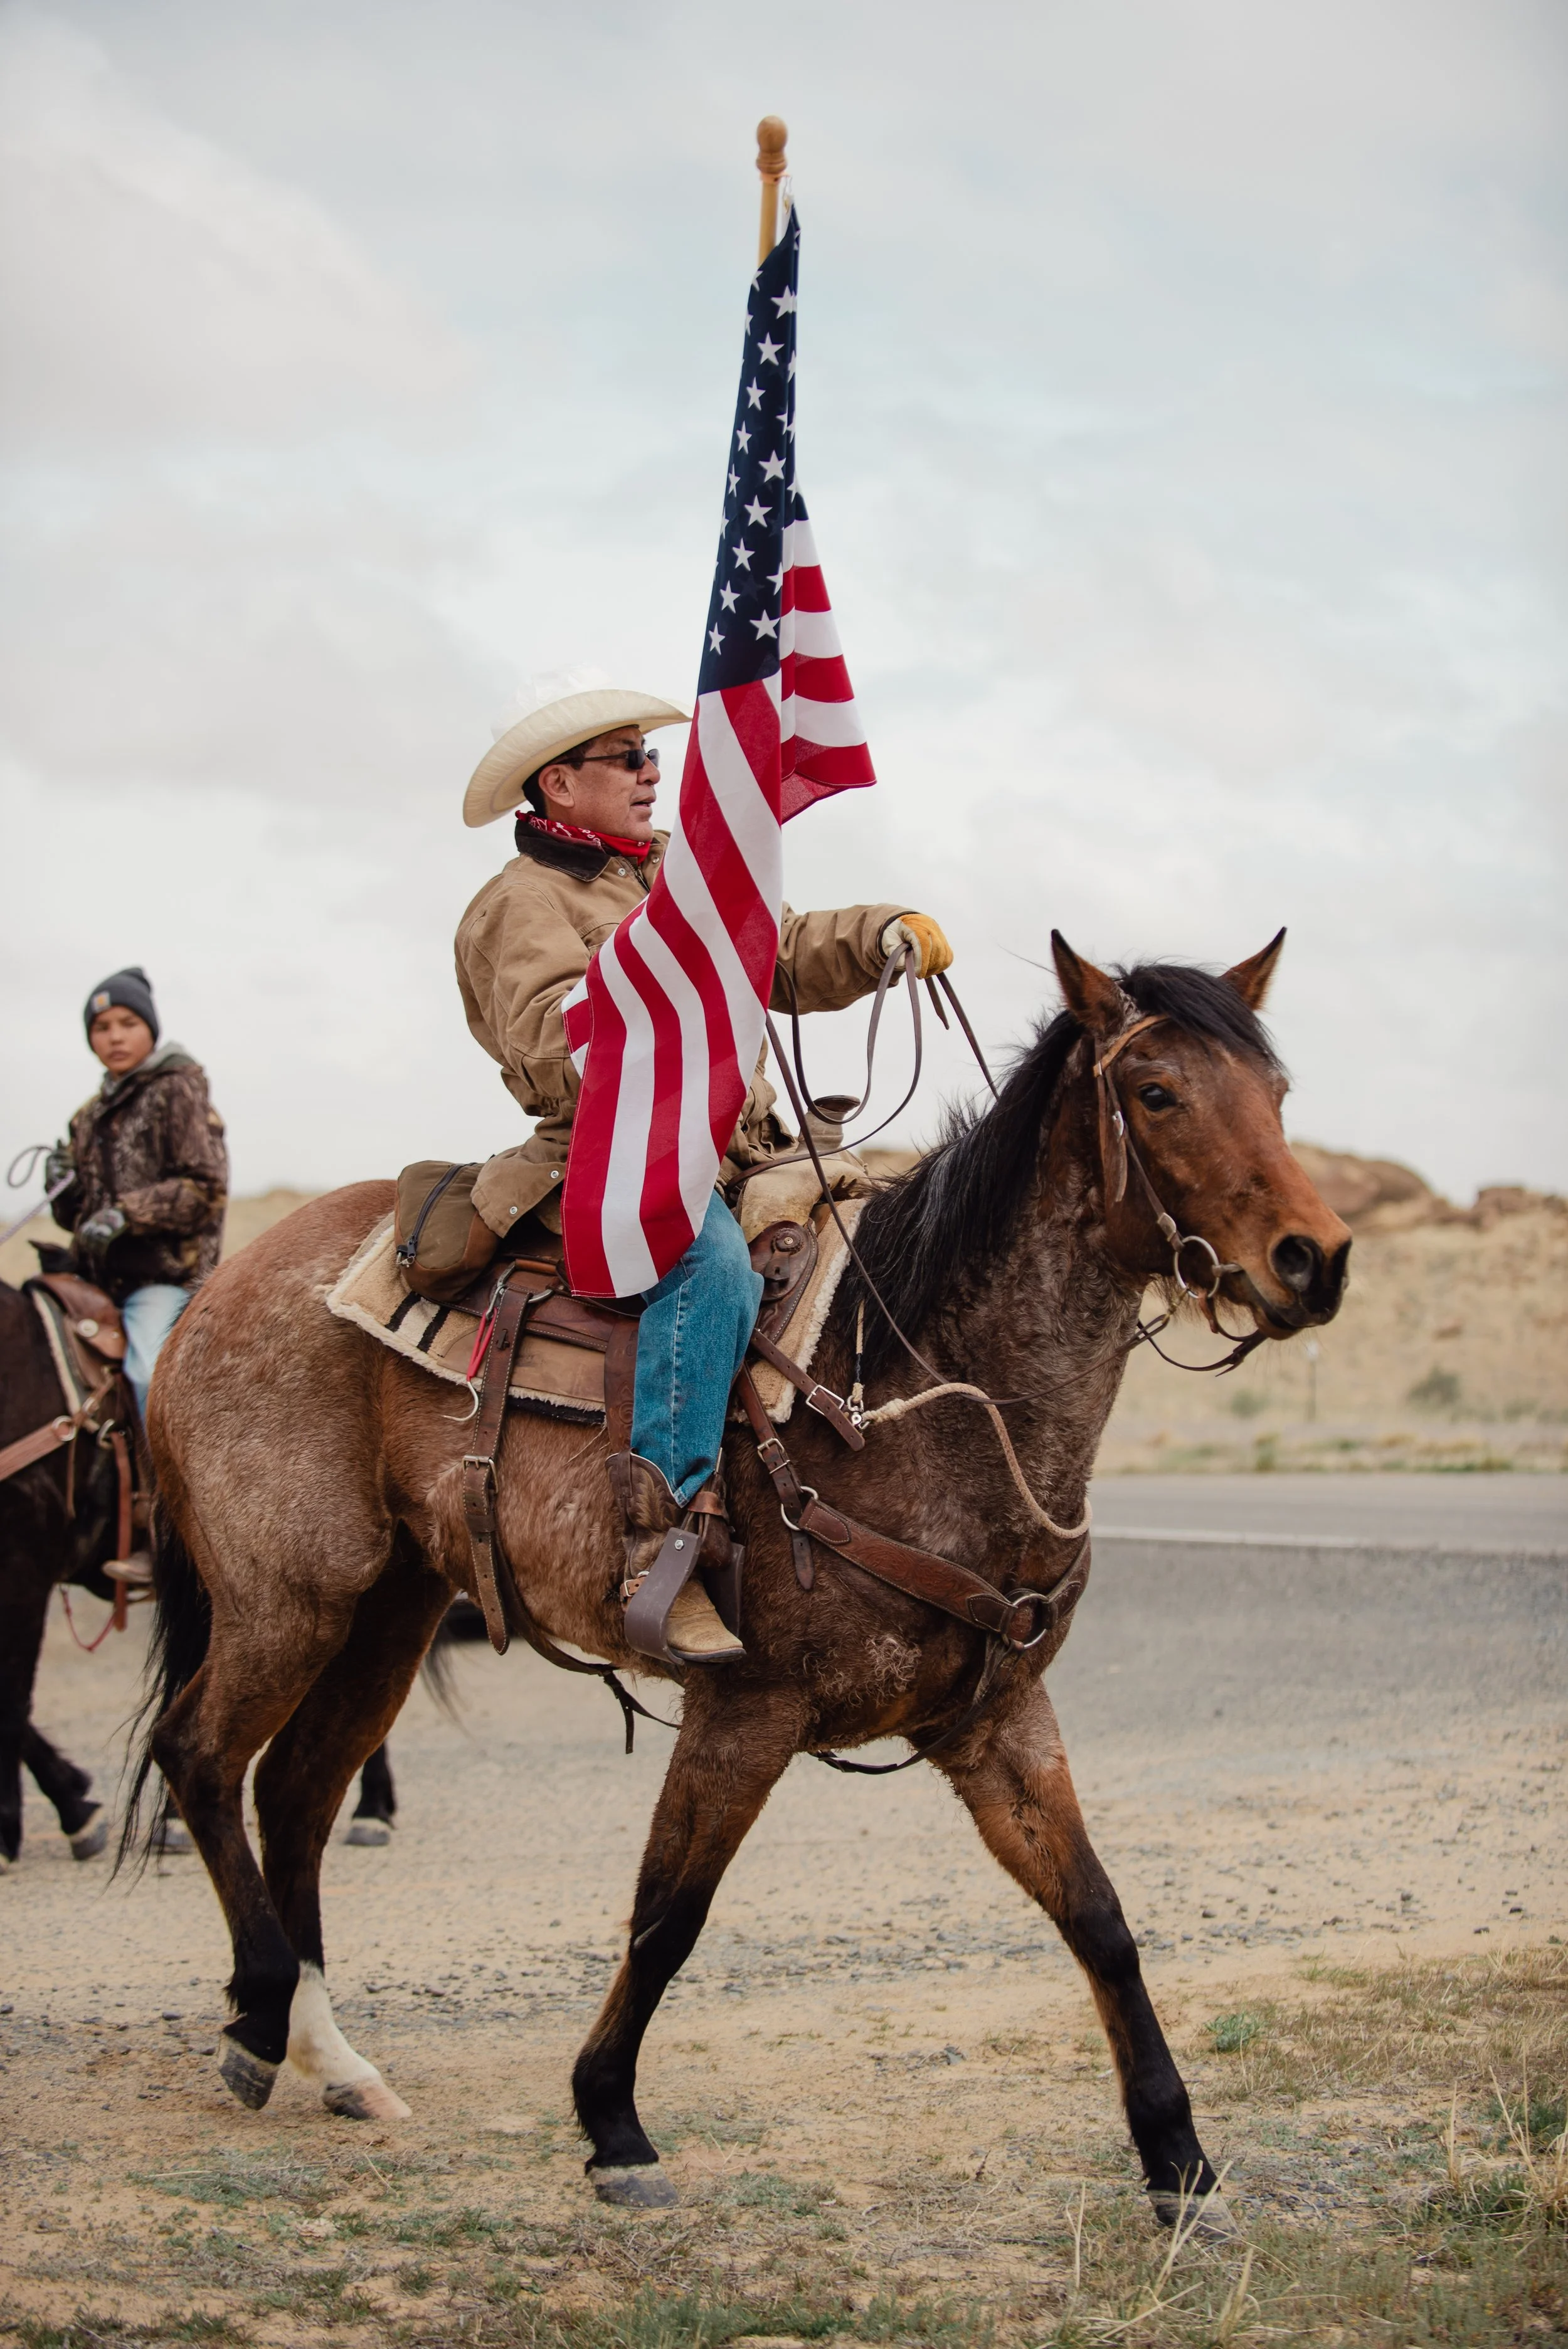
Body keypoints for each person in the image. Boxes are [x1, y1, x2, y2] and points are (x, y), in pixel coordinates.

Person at [456, 684, 952, 1665]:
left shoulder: (677, 872)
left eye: (651, 755)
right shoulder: (519, 902)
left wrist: (880, 933)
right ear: (559, 783)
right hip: (613, 1156)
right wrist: (663, 999)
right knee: (713, 1270)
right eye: (625, 757)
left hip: (743, 1147)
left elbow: (782, 946)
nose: (652, 773)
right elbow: (550, 1046)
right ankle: (662, 1545)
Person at [47, 966, 229, 1443]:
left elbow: (204, 1189)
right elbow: (77, 1218)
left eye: (128, 1023)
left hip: (164, 1280)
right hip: (97, 1280)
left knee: (150, 1373)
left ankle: (164, 1504)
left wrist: (126, 1214)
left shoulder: (177, 1089)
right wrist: (63, 1192)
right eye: (102, 1028)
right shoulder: (86, 1117)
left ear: (151, 1027)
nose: (115, 1037)